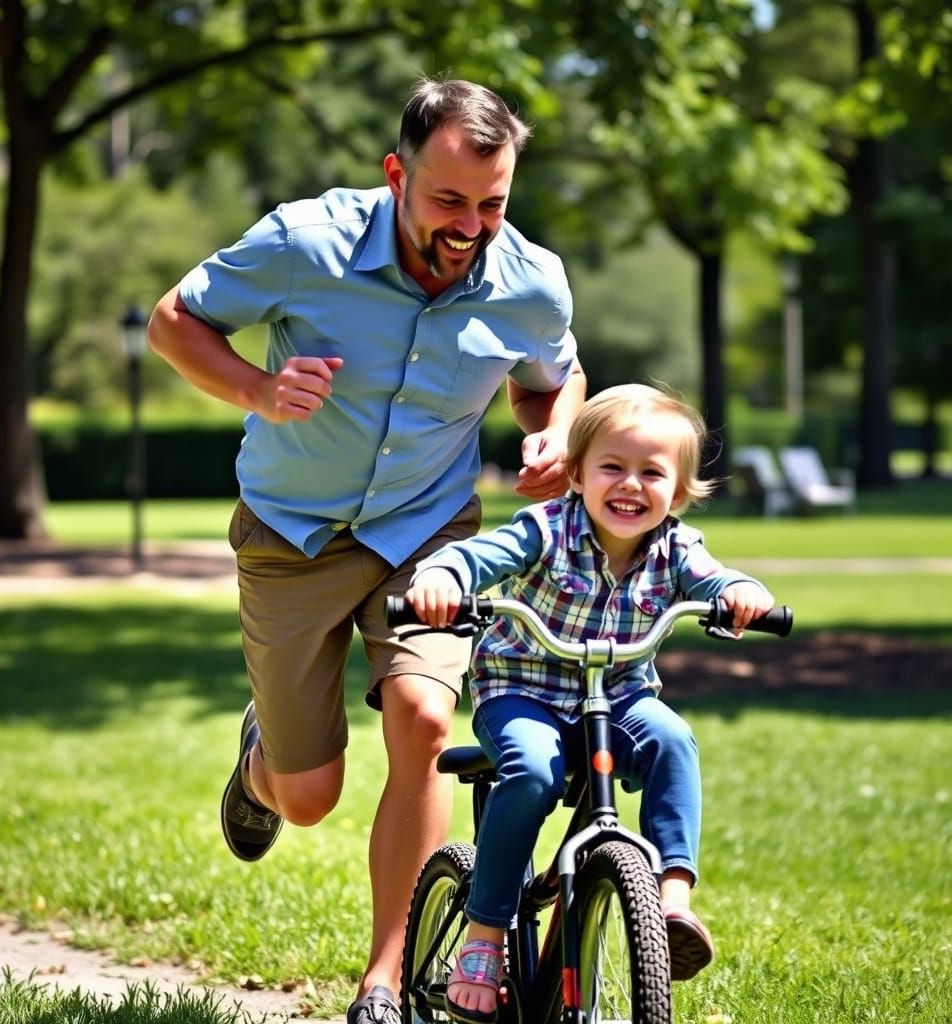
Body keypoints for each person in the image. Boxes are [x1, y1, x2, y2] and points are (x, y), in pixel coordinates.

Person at [146, 76, 586, 1024]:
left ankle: (384, 981)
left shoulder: (530, 279)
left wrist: (554, 430)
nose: (474, 225)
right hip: (292, 532)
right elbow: (174, 321)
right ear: (396, 174)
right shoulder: (306, 241)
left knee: (426, 724)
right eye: (450, 200)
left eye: (495, 202)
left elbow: (554, 374)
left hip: (427, 535)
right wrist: (259, 391)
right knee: (307, 798)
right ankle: (264, 755)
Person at [405, 383, 775, 1023]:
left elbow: (717, 578)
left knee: (672, 741)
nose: (630, 485)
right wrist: (443, 579)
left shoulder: (676, 548)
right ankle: (485, 936)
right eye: (612, 467)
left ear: (679, 492)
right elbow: (476, 557)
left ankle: (671, 902)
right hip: (522, 693)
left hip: (620, 696)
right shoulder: (545, 531)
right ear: (576, 474)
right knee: (534, 771)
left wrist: (742, 592)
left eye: (652, 473)